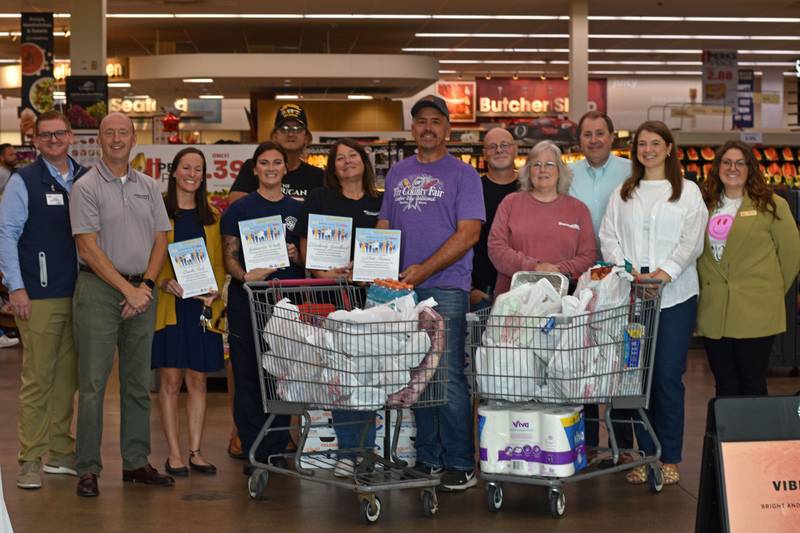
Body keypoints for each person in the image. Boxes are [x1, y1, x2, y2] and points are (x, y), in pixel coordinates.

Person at [377, 95, 485, 490]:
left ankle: (460, 462)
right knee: (416, 373)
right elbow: (386, 225)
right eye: (420, 121)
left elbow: (469, 233)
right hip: (403, 290)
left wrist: (425, 268)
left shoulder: (463, 175)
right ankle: (427, 459)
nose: (427, 128)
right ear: (412, 129)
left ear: (447, 129)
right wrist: (378, 272)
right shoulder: (396, 173)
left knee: (449, 375)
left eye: (435, 121)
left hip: (447, 287)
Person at [70, 112, 174, 497]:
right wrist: (126, 291)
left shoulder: (148, 186)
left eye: (123, 133)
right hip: (98, 291)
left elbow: (162, 239)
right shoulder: (86, 187)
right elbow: (87, 247)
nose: (116, 139)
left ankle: (135, 462)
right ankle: (88, 468)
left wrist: (144, 285)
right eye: (109, 132)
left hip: (141, 291)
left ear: (134, 139)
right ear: (99, 139)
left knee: (135, 384)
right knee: (93, 384)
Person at [599, 120, 707, 486]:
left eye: (655, 143)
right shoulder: (623, 192)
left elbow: (693, 240)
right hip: (632, 301)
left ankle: (670, 456)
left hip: (675, 297)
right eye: (642, 143)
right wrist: (630, 274)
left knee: (666, 378)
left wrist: (664, 274)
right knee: (635, 377)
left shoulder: (687, 192)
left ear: (669, 147)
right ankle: (645, 456)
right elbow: (609, 237)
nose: (648, 149)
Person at [0, 111, 87, 489]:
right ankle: (31, 459)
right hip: (39, 295)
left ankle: (61, 453)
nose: (53, 140)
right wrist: (15, 288)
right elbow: (6, 234)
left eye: (59, 133)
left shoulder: (86, 178)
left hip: (83, 294)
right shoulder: (24, 181)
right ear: (35, 141)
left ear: (71, 137)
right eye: (45, 135)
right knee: (38, 378)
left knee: (68, 379)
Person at [293, 138, 383, 477]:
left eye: (353, 156)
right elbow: (306, 250)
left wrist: (368, 273)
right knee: (341, 376)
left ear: (365, 162)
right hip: (330, 298)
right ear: (332, 167)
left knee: (368, 376)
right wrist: (323, 272)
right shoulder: (320, 198)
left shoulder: (381, 202)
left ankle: (367, 449)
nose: (347, 162)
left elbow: (387, 252)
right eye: (340, 158)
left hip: (371, 301)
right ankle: (349, 451)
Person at [220, 141, 304, 474]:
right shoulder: (238, 210)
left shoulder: (298, 210)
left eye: (277, 163)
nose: (271, 168)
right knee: (248, 374)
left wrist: (298, 255)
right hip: (248, 300)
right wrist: (245, 277)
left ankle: (277, 445)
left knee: (282, 373)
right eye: (264, 163)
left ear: (285, 169)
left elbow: (307, 253)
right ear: (255, 169)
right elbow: (229, 256)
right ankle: (253, 447)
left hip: (286, 302)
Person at [697, 140, 800, 397]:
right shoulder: (704, 205)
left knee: (753, 383)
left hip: (756, 310)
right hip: (715, 310)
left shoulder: (772, 205)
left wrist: (769, 290)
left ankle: (753, 438)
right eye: (727, 162)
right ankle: (726, 438)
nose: (733, 168)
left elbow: (790, 257)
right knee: (725, 385)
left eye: (740, 163)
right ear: (717, 167)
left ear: (750, 168)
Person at [152, 148, 226, 477]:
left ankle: (195, 451)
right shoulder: (159, 215)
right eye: (186, 167)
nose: (191, 173)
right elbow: (146, 260)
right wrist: (163, 282)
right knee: (170, 380)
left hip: (201, 309)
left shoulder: (211, 217)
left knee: (198, 379)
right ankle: (174, 453)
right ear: (175, 172)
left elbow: (221, 265)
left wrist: (216, 290)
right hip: (170, 306)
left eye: (198, 168)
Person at [568, 111, 634, 464]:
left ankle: (624, 444)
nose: (594, 140)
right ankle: (589, 443)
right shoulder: (570, 174)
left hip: (622, 278)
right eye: (587, 134)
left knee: (621, 360)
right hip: (583, 278)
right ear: (579, 140)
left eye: (600, 133)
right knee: (585, 359)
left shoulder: (630, 171)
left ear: (612, 137)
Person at [488, 140, 596, 295]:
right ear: (528, 171)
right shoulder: (510, 203)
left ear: (560, 170)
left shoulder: (579, 209)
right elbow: (496, 248)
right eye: (536, 165)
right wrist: (535, 268)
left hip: (562, 299)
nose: (542, 170)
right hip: (513, 301)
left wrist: (556, 271)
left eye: (550, 164)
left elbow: (588, 256)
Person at [228, 103, 323, 204]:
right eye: (284, 129)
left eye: (297, 129)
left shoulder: (317, 176)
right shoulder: (254, 166)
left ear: (307, 138)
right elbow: (235, 203)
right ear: (274, 136)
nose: (290, 134)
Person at [471, 127, 519, 311]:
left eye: (505, 145)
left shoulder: (530, 188)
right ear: (484, 154)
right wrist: (470, 289)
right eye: (492, 146)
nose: (499, 150)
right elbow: (461, 240)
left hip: (524, 292)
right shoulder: (473, 190)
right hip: (483, 293)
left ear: (515, 149)